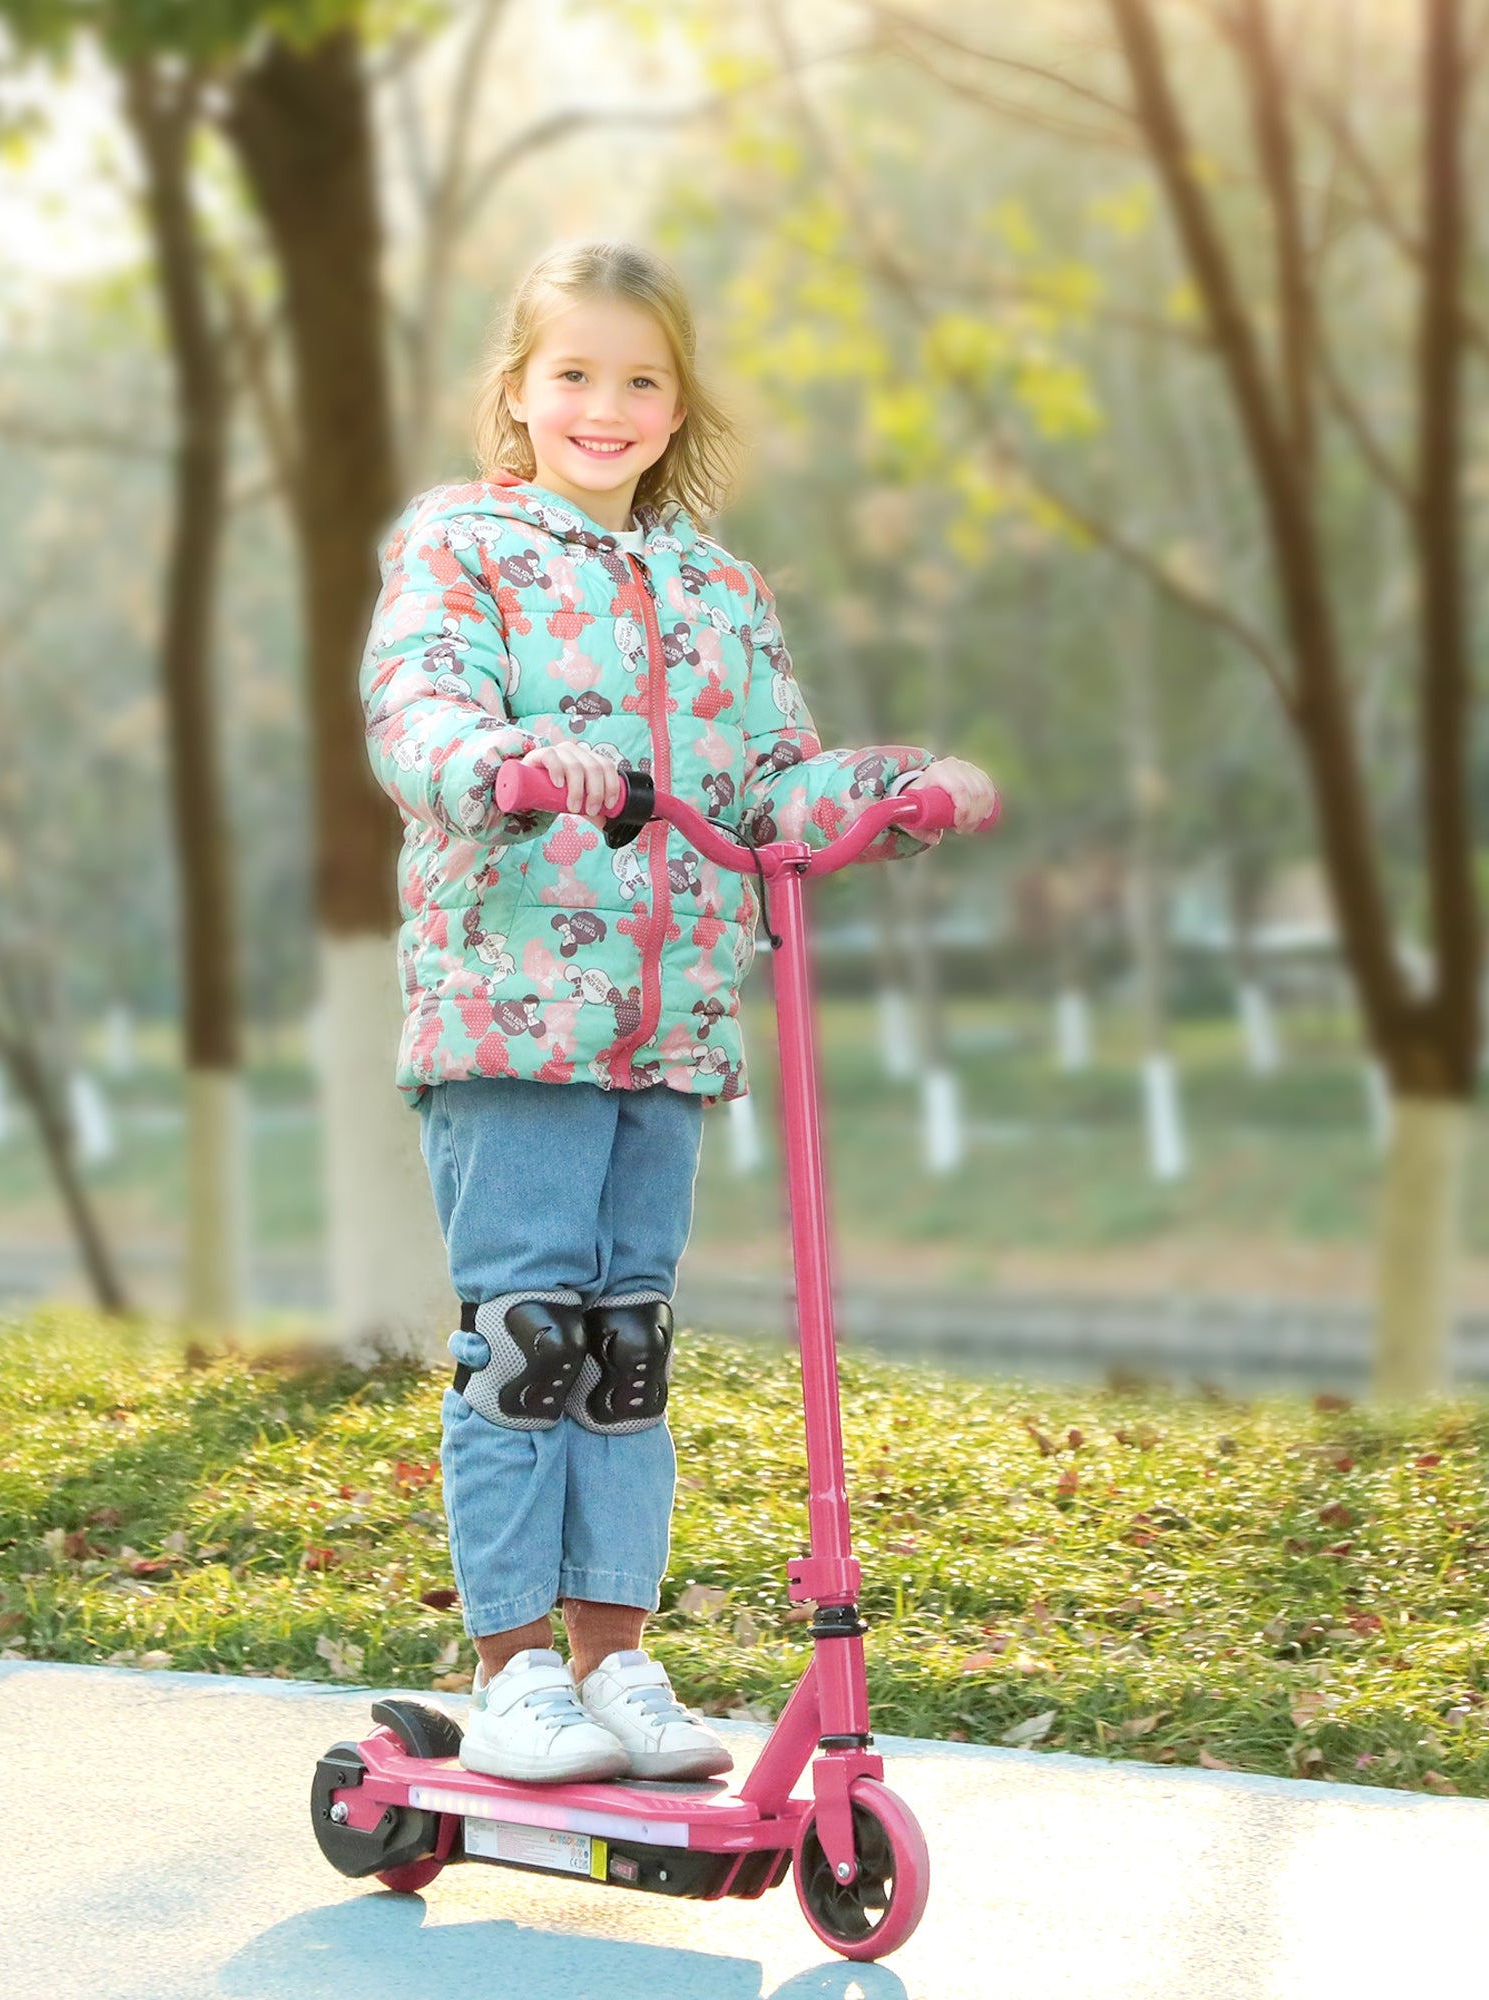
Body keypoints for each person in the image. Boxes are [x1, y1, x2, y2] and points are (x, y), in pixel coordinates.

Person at [360, 240, 996, 1786]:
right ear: (516, 394)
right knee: (527, 1339)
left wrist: (887, 790)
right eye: (573, 372)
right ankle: (515, 1669)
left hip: (668, 1024)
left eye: (641, 377)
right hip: (514, 1017)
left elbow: (773, 775)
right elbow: (418, 708)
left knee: (623, 1350)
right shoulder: (464, 546)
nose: (607, 404)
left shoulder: (717, 586)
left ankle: (614, 1659)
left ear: (677, 401)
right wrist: (502, 764)